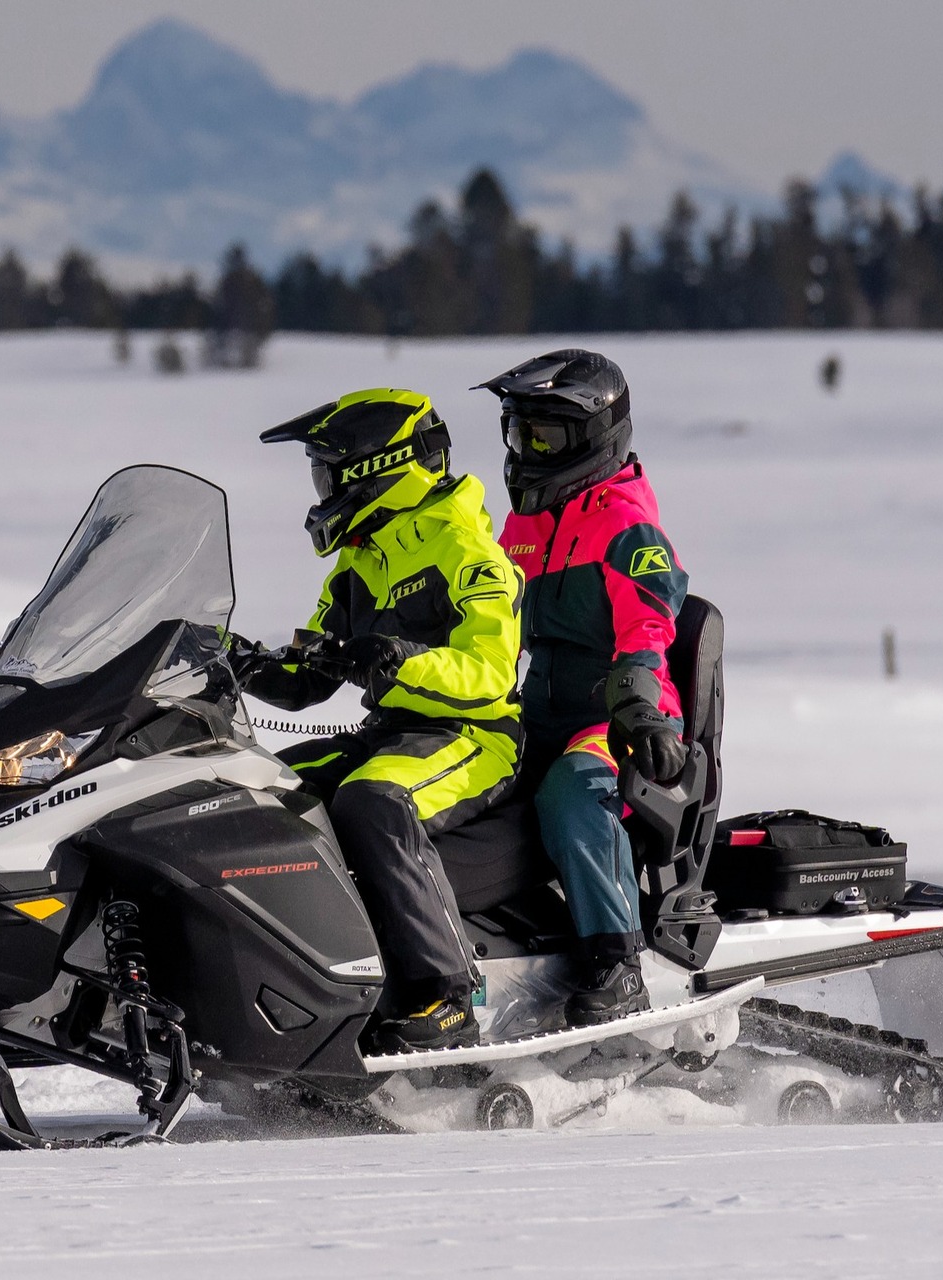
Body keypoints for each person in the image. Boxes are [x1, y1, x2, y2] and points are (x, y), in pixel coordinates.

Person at [234, 388, 524, 1054]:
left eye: (328, 474)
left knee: (375, 801)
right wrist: (237, 661)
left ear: (377, 470)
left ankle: (448, 998)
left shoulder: (465, 547)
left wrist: (400, 659)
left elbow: (490, 672)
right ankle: (312, 990)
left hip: (474, 736)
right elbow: (309, 675)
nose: (322, 491)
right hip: (392, 734)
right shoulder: (361, 559)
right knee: (259, 787)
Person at [477, 350, 690, 1026]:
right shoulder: (526, 524)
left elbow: (648, 628)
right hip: (538, 715)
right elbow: (490, 621)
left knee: (572, 791)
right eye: (519, 435)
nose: (527, 452)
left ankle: (617, 962)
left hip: (621, 720)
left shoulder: (628, 526)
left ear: (594, 437)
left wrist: (639, 706)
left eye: (544, 436)